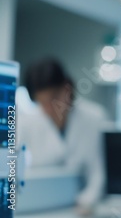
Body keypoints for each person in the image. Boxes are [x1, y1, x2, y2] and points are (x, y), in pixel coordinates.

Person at [18, 58, 110, 215]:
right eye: (43, 102)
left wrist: (86, 202)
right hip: (39, 206)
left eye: (54, 98)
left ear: (67, 88)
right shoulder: (26, 124)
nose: (50, 108)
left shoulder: (94, 117)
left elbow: (98, 174)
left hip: (83, 208)